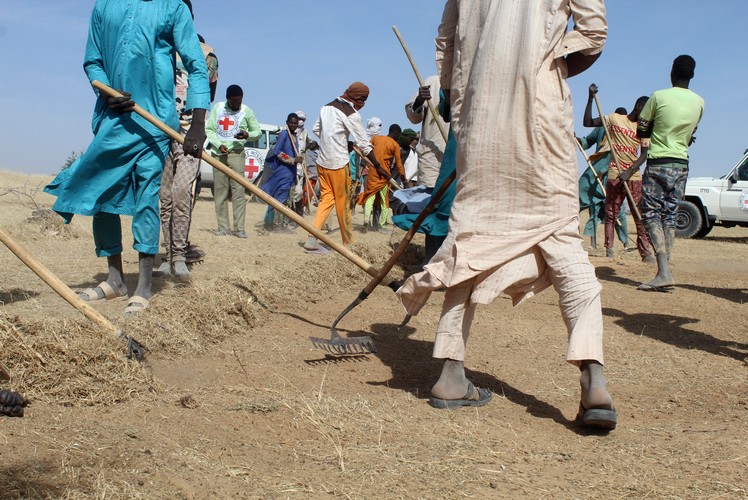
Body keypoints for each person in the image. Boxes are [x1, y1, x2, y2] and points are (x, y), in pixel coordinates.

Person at [397, 0, 617, 430]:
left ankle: (450, 375)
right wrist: (546, 63)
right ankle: (594, 378)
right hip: (541, 114)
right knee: (561, 236)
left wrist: (472, 86)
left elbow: (446, 45)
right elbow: (593, 33)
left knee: (471, 236)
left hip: (480, 118)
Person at [44, 0, 210, 316]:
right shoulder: (105, 6)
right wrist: (107, 93)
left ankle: (144, 285)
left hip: (155, 120)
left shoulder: (172, 7)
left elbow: (195, 64)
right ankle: (116, 279)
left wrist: (198, 123)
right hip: (113, 119)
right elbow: (93, 61)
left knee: (147, 195)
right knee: (102, 195)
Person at [158, 1, 219, 277]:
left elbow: (208, 92)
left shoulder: (206, 54)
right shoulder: (158, 46)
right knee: (163, 197)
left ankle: (180, 254)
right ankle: (166, 253)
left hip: (188, 134)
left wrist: (197, 126)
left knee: (183, 193)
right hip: (158, 130)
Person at [636, 55, 704, 291]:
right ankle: (666, 271)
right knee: (670, 215)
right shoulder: (699, 102)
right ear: (692, 75)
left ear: (672, 71)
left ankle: (663, 272)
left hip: (658, 162)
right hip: (681, 164)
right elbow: (691, 132)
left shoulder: (658, 96)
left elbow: (642, 127)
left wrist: (655, 128)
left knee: (652, 213)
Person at [305, 82, 383, 250]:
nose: (364, 104)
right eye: (364, 100)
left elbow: (316, 129)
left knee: (327, 199)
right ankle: (348, 243)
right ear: (357, 98)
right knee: (343, 203)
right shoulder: (351, 114)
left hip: (322, 162)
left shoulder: (326, 107)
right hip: (338, 163)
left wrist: (336, 138)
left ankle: (311, 238)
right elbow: (364, 143)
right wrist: (377, 165)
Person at [583, 86, 653, 262]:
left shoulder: (644, 128)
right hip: (615, 174)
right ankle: (609, 249)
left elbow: (644, 155)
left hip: (633, 177)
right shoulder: (615, 119)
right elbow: (588, 122)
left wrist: (629, 171)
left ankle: (645, 253)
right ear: (638, 107)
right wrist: (590, 98)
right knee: (611, 213)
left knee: (639, 215)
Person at [205, 84, 261, 239]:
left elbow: (258, 132)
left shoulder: (246, 111)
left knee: (238, 192)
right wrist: (218, 144)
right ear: (228, 99)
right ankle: (223, 227)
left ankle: (239, 228)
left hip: (236, 154)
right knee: (220, 192)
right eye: (234, 101)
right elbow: (209, 129)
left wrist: (247, 134)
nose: (237, 104)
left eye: (239, 101)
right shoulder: (218, 108)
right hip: (219, 154)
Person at [577, 123, 629, 251]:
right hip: (595, 174)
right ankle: (593, 244)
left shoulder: (623, 133)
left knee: (618, 211)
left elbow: (622, 157)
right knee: (593, 208)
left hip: (613, 175)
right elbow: (587, 141)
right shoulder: (602, 128)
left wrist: (605, 170)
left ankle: (626, 243)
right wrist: (577, 139)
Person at [357, 124, 409, 231]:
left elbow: (365, 150)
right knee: (384, 201)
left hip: (373, 173)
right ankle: (383, 224)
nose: (399, 137)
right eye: (399, 135)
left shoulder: (375, 138)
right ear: (396, 133)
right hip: (385, 176)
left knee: (370, 197)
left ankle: (366, 220)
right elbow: (399, 165)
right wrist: (404, 180)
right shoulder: (395, 145)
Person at [261, 113, 302, 231]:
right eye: (291, 123)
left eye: (295, 123)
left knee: (285, 197)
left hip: (291, 171)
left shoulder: (294, 136)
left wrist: (299, 159)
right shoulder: (284, 134)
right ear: (287, 122)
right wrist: (293, 160)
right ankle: (274, 225)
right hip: (283, 171)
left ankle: (275, 224)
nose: (293, 125)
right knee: (280, 196)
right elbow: (277, 152)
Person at [405, 76, 448, 188]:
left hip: (458, 156)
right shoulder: (433, 82)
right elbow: (413, 117)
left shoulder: (473, 81)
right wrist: (419, 101)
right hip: (432, 155)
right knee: (429, 196)